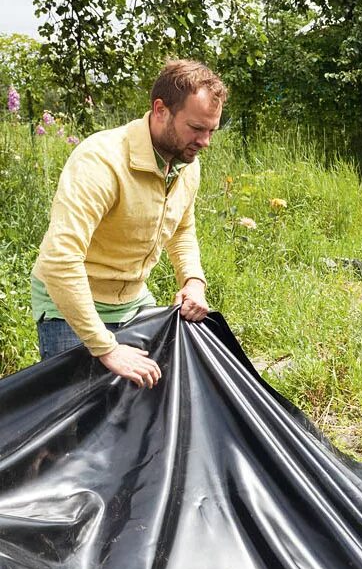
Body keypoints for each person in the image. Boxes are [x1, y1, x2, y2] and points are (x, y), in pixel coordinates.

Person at [31, 59, 226, 388]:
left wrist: (193, 281)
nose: (205, 141)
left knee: (141, 414)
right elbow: (59, 260)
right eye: (196, 128)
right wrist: (106, 347)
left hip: (134, 302)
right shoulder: (101, 161)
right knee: (74, 428)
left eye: (211, 130)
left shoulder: (186, 162)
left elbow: (181, 229)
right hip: (70, 309)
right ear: (160, 109)